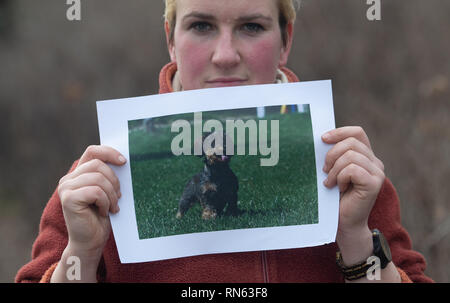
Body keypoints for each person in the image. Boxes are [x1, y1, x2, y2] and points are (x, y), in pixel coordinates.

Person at [16, 0, 432, 283]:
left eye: (252, 26)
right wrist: (82, 254)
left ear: (286, 40)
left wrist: (358, 244)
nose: (226, 54)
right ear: (170, 38)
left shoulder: (345, 170)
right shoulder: (99, 178)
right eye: (201, 26)